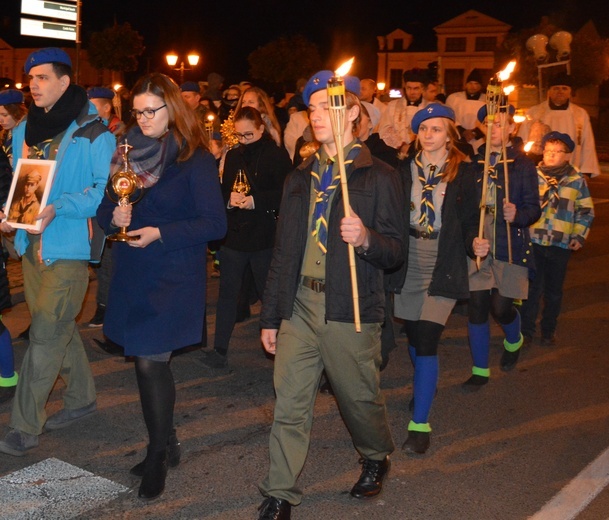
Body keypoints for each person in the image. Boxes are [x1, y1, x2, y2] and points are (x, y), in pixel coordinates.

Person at [257, 70, 405, 519]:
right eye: (313, 108)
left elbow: (397, 251)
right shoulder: (299, 178)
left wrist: (366, 240)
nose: (317, 115)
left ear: (354, 113)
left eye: (328, 107)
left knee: (358, 399)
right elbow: (283, 251)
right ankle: (280, 491)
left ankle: (375, 454)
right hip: (300, 305)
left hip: (349, 308)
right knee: (290, 403)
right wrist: (270, 315)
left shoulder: (378, 175)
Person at [96, 73, 227, 499]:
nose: (142, 118)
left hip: (172, 275)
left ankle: (157, 454)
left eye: (150, 110)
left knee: (150, 363)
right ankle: (166, 441)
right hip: (133, 274)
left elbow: (214, 223)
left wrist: (159, 231)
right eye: (136, 111)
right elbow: (104, 208)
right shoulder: (126, 153)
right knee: (147, 361)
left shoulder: (195, 158)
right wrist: (110, 219)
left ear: (173, 108)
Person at [0, 47, 115, 457]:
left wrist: (58, 208)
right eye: (31, 79)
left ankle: (24, 426)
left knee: (45, 337)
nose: (33, 84)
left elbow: (102, 195)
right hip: (31, 247)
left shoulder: (95, 133)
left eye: (42, 77)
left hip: (68, 249)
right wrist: (10, 214)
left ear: (64, 82)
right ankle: (82, 398)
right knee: (58, 329)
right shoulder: (23, 130)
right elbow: (21, 184)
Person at [393, 103, 486, 455]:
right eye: (424, 129)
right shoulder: (404, 170)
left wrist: (474, 242)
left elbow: (467, 219)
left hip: (443, 258)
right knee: (415, 336)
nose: (430, 135)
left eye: (437, 129)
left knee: (429, 336)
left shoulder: (464, 171)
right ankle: (423, 384)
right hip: (411, 259)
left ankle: (420, 424)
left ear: (450, 134)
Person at [201, 106, 291, 370]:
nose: (243, 140)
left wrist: (256, 201)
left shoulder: (276, 155)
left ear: (262, 129)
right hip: (236, 237)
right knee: (227, 294)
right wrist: (229, 200)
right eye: (239, 135)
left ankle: (283, 351)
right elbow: (225, 189)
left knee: (268, 294)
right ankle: (220, 349)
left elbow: (287, 194)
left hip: (263, 238)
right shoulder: (233, 155)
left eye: (249, 134)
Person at [462, 105, 541, 391]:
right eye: (489, 123)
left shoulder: (522, 165)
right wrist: (472, 238)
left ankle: (514, 339)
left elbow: (534, 208)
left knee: (501, 306)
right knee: (478, 307)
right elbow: (468, 213)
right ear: (482, 127)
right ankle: (480, 369)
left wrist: (517, 215)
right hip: (481, 247)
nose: (494, 128)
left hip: (510, 245)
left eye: (500, 124)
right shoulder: (474, 164)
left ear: (512, 129)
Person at [520, 131, 594, 346]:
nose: (551, 155)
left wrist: (579, 235)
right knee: (532, 289)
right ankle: (526, 332)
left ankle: (548, 329)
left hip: (560, 243)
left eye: (557, 151)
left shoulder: (576, 181)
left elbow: (586, 210)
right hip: (534, 239)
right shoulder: (532, 175)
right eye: (548, 150)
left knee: (553, 291)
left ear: (567, 155)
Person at [517, 72, 600, 178]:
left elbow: (587, 143)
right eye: (556, 88)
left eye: (564, 88)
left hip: (570, 171)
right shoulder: (534, 112)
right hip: (539, 171)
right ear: (549, 92)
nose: (560, 91)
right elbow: (522, 140)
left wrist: (586, 171)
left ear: (570, 92)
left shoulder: (580, 114)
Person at [378, 68, 428, 155]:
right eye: (409, 88)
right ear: (404, 87)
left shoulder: (428, 108)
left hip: (422, 152)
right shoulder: (392, 105)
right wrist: (401, 145)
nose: (412, 92)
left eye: (416, 88)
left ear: (422, 89)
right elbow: (384, 129)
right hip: (396, 152)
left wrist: (414, 147)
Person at [446, 69, 487, 153]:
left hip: (480, 138)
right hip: (459, 137)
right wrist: (462, 131)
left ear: (480, 86)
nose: (473, 86)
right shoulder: (454, 98)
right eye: (470, 83)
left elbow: (489, 119)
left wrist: (475, 133)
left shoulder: (487, 99)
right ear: (465, 85)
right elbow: (448, 117)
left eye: (476, 84)